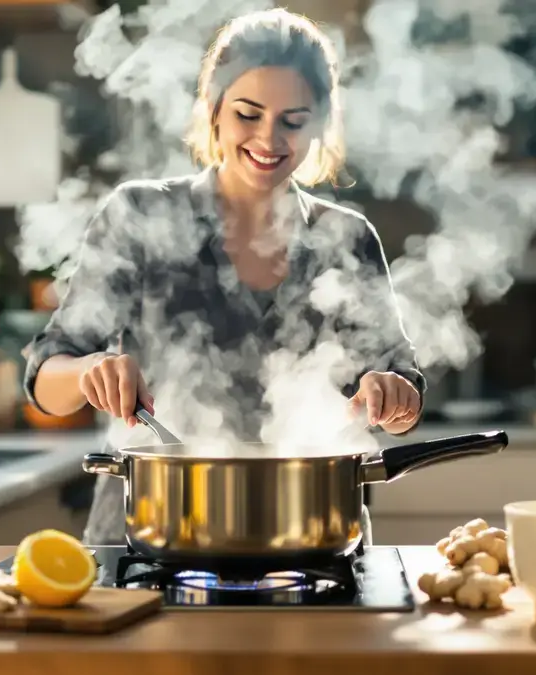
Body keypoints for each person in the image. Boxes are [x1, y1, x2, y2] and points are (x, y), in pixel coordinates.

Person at [22, 8, 426, 546]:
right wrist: (89, 370)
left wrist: (394, 396)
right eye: (248, 113)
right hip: (148, 534)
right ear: (214, 110)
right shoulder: (139, 216)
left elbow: (404, 396)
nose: (268, 138)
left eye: (293, 119)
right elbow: (45, 384)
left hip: (311, 535)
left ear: (320, 124)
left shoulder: (347, 238)